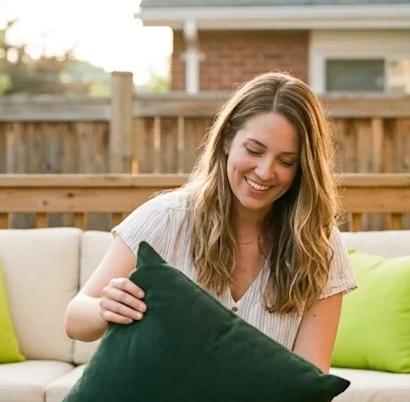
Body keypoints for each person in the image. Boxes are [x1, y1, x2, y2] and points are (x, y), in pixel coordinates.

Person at [63, 72, 356, 372]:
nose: (266, 172)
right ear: (228, 139)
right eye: (254, 150)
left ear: (302, 168)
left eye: (286, 161)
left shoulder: (319, 242)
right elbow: (75, 321)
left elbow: (311, 375)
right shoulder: (166, 218)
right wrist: (103, 308)